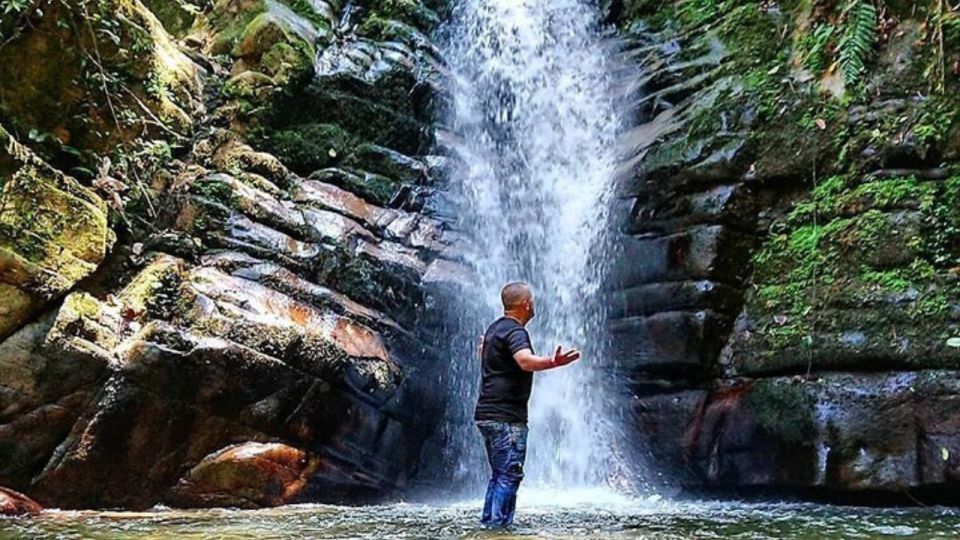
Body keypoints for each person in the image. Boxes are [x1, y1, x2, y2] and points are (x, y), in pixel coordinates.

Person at [474, 281, 581, 527]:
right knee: (509, 474)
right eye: (532, 301)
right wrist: (554, 362)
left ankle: (490, 524)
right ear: (526, 304)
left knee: (500, 474)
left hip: (487, 413)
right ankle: (498, 528)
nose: (533, 306)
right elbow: (524, 360)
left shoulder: (494, 329)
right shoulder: (515, 331)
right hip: (506, 417)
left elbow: (484, 353)